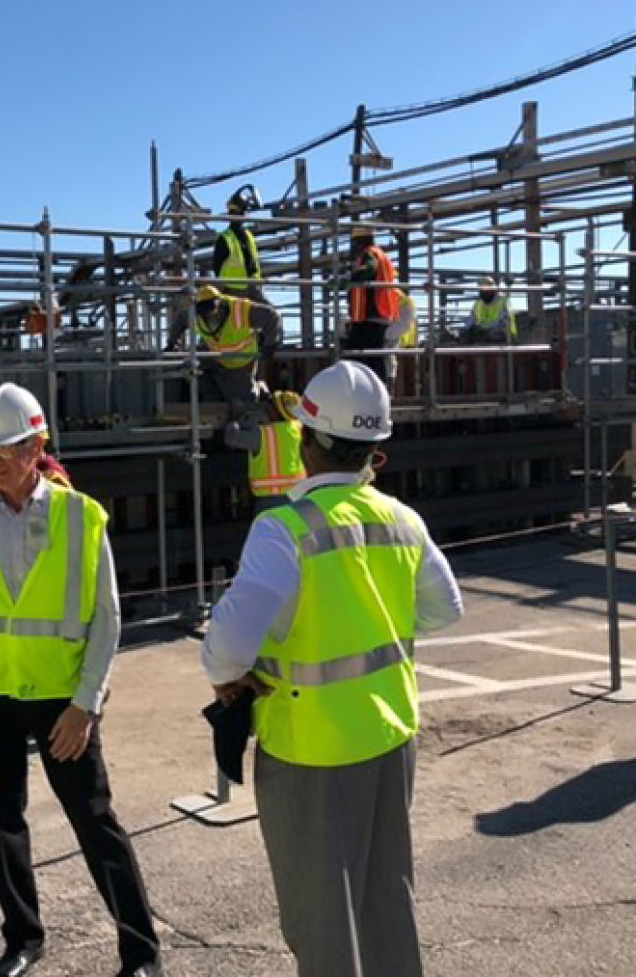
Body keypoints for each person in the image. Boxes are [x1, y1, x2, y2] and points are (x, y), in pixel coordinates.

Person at [201, 360, 463, 977]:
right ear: (375, 448)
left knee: (321, 923)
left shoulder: (284, 529)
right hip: (392, 736)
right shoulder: (402, 520)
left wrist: (229, 675)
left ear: (302, 441)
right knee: (386, 898)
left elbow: (227, 645)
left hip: (310, 750)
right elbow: (445, 611)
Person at [0, 384, 163, 977]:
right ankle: (22, 939)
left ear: (38, 444)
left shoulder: (80, 516)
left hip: (63, 701)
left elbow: (108, 619)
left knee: (95, 822)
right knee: (3, 821)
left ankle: (141, 953)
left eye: (7, 448)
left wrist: (85, 705)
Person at [168, 284, 282, 416]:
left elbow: (273, 317)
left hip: (241, 361)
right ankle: (213, 401)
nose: (208, 315)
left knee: (245, 402)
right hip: (215, 355)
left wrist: (270, 344)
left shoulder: (241, 309)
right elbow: (179, 321)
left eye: (211, 311)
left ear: (220, 303)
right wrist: (171, 343)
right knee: (193, 369)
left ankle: (261, 390)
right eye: (204, 312)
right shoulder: (196, 313)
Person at [344, 226, 401, 387]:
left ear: (359, 242)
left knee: (354, 355)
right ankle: (378, 390)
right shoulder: (382, 255)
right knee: (374, 357)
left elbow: (369, 269)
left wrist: (349, 279)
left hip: (370, 316)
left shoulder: (369, 253)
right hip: (380, 315)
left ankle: (361, 390)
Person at [247, 389, 306, 513]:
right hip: (298, 497)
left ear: (277, 411)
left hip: (269, 502)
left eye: (271, 404)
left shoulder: (263, 433)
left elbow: (231, 437)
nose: (267, 408)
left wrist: (240, 419)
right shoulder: (300, 428)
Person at [212, 184, 265, 301]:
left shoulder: (248, 236)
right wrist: (224, 289)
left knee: (270, 315)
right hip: (233, 290)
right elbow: (217, 267)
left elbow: (254, 263)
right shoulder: (225, 238)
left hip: (253, 287)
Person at [465, 276, 517, 343]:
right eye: (481, 290)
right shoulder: (478, 304)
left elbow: (504, 323)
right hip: (484, 336)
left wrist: (485, 329)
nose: (483, 292)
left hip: (505, 338)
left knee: (492, 333)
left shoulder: (503, 301)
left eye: (486, 289)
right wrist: (471, 328)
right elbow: (470, 320)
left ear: (493, 289)